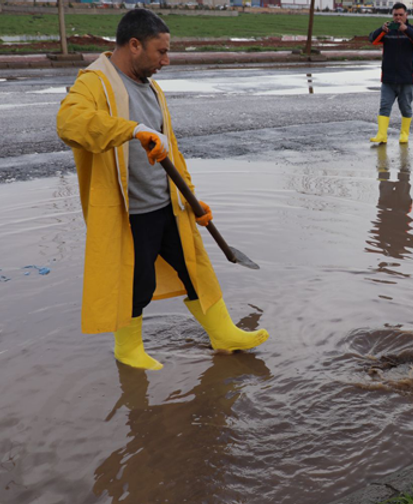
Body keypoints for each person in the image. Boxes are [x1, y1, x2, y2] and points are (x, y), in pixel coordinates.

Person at [56, 9, 269, 371]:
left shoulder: (153, 89)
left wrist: (192, 197)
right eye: (161, 51)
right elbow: (69, 123)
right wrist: (131, 130)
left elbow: (171, 148)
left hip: (168, 203)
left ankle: (223, 333)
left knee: (194, 269)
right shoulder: (95, 82)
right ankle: (128, 349)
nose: (166, 60)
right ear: (134, 45)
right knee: (135, 282)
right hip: (131, 210)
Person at [368, 2, 413, 144]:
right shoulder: (388, 31)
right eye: (395, 15)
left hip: (406, 78)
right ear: (392, 15)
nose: (398, 18)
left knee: (406, 108)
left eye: (401, 15)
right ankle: (382, 135)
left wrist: (406, 29)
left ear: (406, 15)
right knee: (384, 106)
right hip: (388, 78)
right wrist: (382, 30)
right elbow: (372, 40)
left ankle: (404, 134)